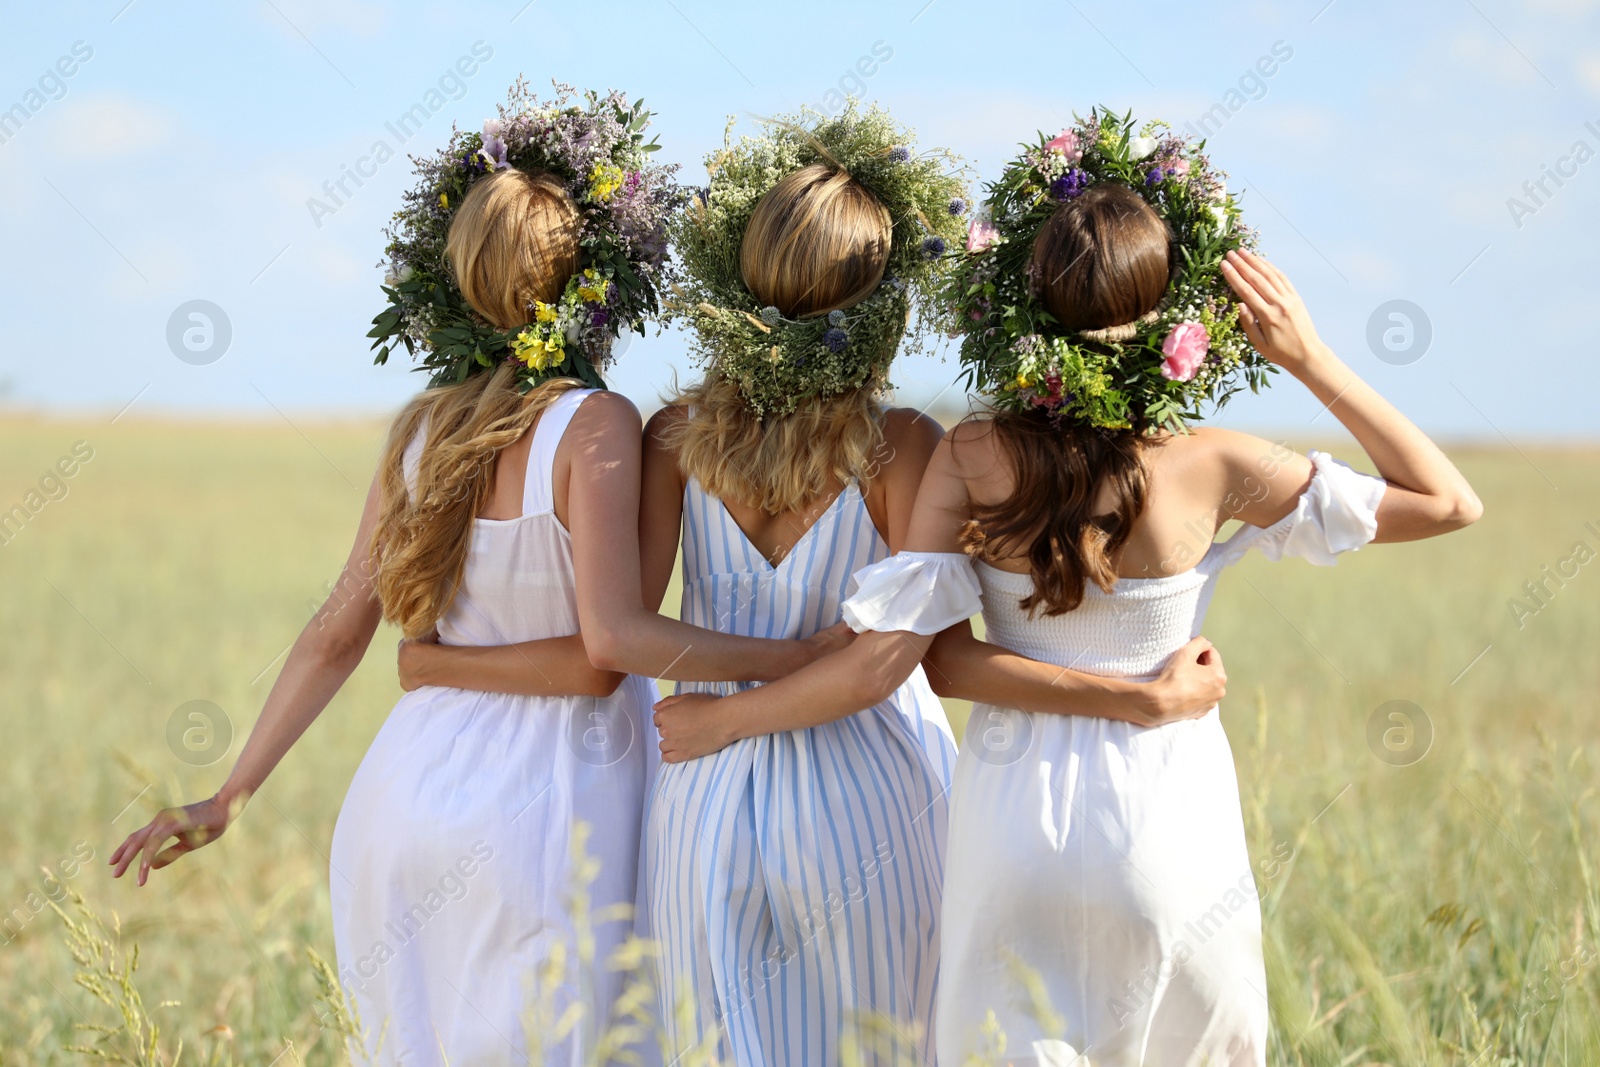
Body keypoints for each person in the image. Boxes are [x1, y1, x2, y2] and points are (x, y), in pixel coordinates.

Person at [651, 117, 1481, 1065]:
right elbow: (1448, 500)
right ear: (1175, 314)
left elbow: (937, 659)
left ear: (1022, 306)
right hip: (1167, 817)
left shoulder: (971, 452)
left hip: (1011, 823)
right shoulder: (1214, 464)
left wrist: (725, 716)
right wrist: (1308, 357)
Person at [406, 105, 1226, 1064]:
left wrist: (709, 712)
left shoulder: (672, 437)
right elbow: (899, 657)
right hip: (865, 796)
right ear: (877, 301)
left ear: (742, 283)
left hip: (702, 802)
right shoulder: (901, 447)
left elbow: (621, 635)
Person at [108, 90, 840, 1066]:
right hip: (550, 803)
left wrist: (232, 791)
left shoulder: (417, 432)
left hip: (402, 797)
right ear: (592, 278)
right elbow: (604, 650)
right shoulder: (594, 422)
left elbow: (337, 629)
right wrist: (795, 656)